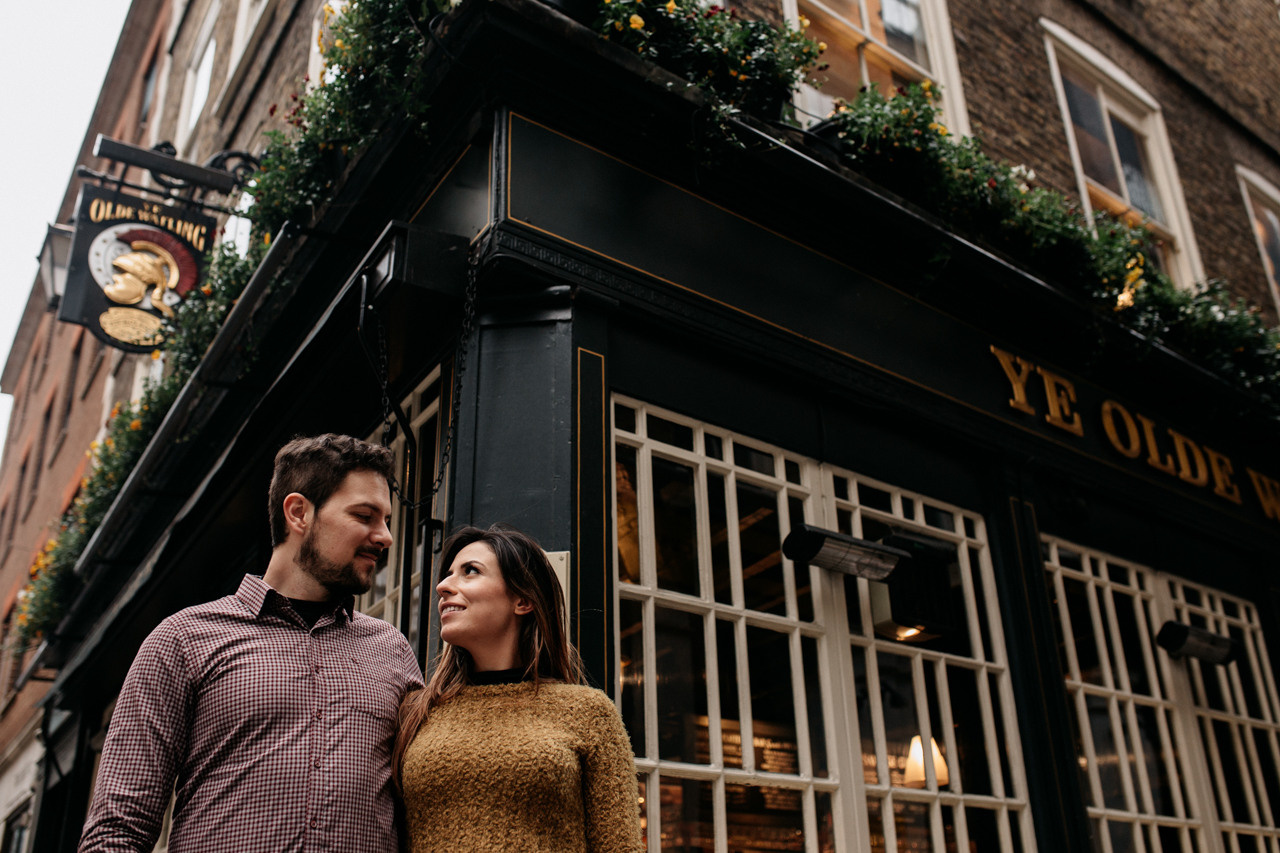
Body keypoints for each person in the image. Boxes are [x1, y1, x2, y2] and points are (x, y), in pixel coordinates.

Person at [80, 434, 424, 852]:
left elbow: (423, 810)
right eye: (364, 516)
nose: (385, 536)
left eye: (385, 520)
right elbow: (117, 830)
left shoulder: (392, 649)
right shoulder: (184, 640)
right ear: (298, 513)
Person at [395, 524, 643, 852]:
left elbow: (619, 846)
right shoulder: (417, 711)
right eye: (448, 574)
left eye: (470, 571)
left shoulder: (588, 712)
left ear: (523, 600)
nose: (442, 586)